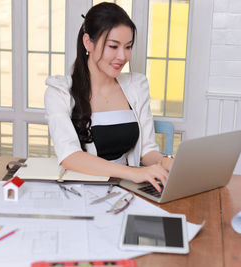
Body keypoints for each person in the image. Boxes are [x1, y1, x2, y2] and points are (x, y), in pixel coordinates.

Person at [44, 2, 173, 192]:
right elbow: (70, 156)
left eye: (128, 47)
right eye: (113, 46)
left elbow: (147, 151)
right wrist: (133, 173)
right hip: (79, 189)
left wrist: (164, 161)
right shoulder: (59, 92)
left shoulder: (136, 86)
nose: (122, 56)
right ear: (88, 42)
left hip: (125, 189)